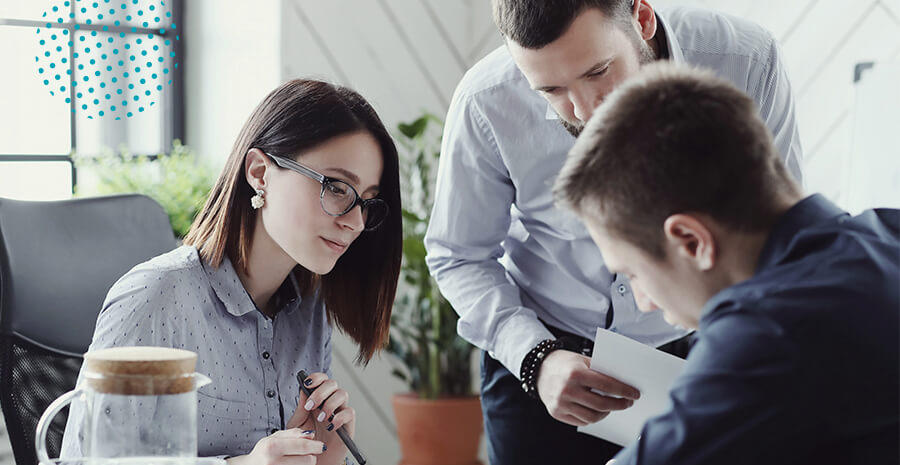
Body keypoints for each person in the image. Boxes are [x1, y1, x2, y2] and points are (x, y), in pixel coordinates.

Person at [424, 0, 804, 462]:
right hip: (542, 363)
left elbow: (776, 229)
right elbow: (458, 255)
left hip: (706, 350)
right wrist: (535, 358)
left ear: (641, 19)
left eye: (598, 71)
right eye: (550, 90)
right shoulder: (485, 100)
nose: (586, 112)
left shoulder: (746, 60)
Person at [554, 62, 899, 465]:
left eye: (633, 273)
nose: (645, 302)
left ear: (691, 241)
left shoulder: (766, 334)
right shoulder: (888, 232)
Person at [62, 79, 403, 465]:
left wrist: (323, 456)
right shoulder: (155, 297)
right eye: (338, 187)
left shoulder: (311, 310)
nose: (356, 222)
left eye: (368, 203)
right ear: (260, 173)